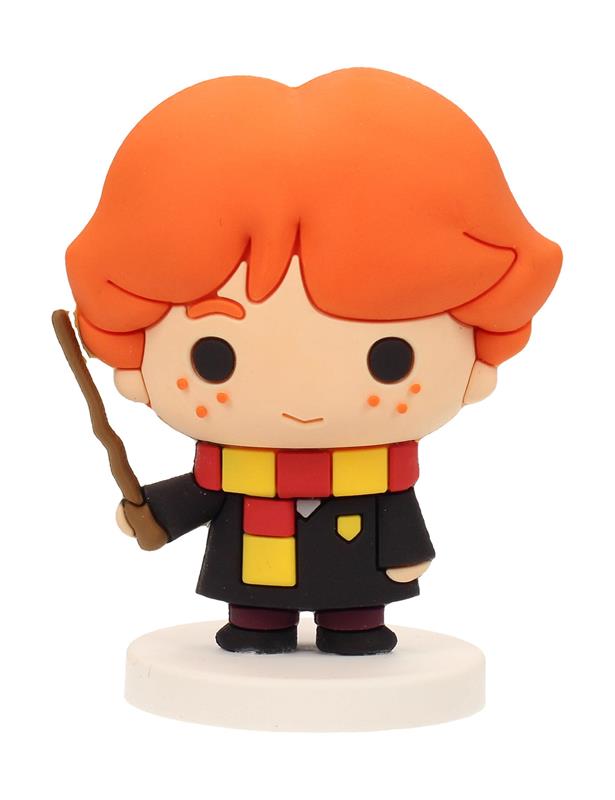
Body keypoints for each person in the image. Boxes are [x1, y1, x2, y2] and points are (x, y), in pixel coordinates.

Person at [64, 68, 561, 655]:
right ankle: (258, 624)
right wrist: (156, 513)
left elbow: (394, 508)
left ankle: (354, 624)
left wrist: (407, 551)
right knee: (253, 603)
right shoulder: (231, 469)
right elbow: (205, 491)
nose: (301, 398)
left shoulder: (376, 471)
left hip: (357, 563)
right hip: (250, 566)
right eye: (214, 358)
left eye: (390, 359)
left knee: (356, 607)